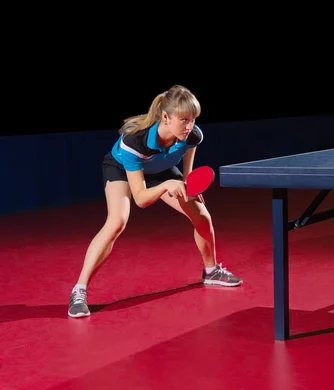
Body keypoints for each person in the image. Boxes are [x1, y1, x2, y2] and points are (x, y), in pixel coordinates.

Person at [68, 85, 242, 318]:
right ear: (165, 117)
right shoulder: (135, 140)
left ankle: (211, 271)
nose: (189, 126)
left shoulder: (192, 135)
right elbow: (140, 198)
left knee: (202, 217)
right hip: (122, 169)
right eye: (184, 119)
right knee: (117, 222)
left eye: (193, 119)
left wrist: (189, 186)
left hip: (161, 171)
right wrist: (166, 186)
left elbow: (187, 171)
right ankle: (79, 290)